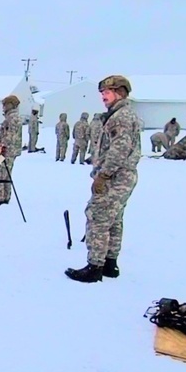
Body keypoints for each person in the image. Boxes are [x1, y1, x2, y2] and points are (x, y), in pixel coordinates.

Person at [66, 76, 141, 283]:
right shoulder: (119, 115)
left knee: (98, 217)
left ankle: (95, 266)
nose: (103, 97)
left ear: (120, 93)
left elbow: (119, 149)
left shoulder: (121, 117)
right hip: (123, 176)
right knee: (114, 220)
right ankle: (109, 264)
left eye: (107, 93)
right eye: (102, 93)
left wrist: (104, 174)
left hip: (115, 178)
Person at [0, 94, 23, 205]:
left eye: (5, 105)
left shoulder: (11, 119)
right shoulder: (13, 118)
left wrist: (0, 150)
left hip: (5, 152)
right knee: (6, 173)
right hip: (9, 151)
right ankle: (5, 196)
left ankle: (0, 197)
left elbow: (8, 137)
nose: (3, 107)